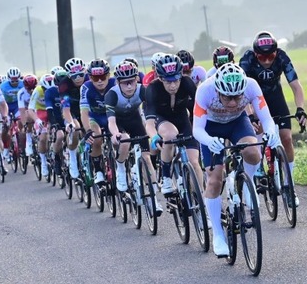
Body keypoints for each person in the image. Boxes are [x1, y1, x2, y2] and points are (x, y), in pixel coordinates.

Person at [192, 63, 280, 258]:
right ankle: (218, 234)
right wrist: (209, 141)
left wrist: (271, 133)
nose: (232, 103)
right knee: (215, 179)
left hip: (237, 123)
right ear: (218, 90)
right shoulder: (205, 91)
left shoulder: (251, 86)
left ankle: (247, 186)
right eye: (227, 97)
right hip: (210, 128)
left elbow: (266, 118)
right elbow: (197, 129)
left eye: (237, 97)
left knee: (253, 152)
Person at [238, 31, 307, 205]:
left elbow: (296, 87)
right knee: (259, 135)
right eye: (263, 57)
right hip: (254, 100)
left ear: (276, 53)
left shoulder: (282, 57)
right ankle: (257, 170)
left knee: (286, 138)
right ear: (255, 54)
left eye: (271, 56)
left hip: (276, 99)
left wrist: (300, 109)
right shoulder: (247, 60)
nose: (267, 61)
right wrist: (250, 114)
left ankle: (288, 185)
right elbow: (240, 91)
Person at [144, 53, 202, 202]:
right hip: (161, 119)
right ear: (160, 78)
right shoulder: (152, 89)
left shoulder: (187, 83)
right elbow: (149, 123)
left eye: (176, 80)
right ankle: (166, 177)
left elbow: (202, 107)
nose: (173, 85)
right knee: (170, 135)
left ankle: (201, 201)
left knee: (194, 163)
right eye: (168, 81)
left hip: (182, 119)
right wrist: (154, 136)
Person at [105, 60, 152, 194]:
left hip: (134, 120)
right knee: (124, 140)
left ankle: (153, 196)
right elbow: (111, 122)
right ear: (118, 82)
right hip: (119, 122)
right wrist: (115, 134)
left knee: (146, 158)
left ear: (137, 78)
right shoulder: (112, 94)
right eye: (125, 83)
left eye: (132, 81)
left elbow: (150, 113)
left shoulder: (142, 89)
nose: (130, 86)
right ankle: (120, 167)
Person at [79, 59, 116, 185]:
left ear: (108, 75)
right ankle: (98, 170)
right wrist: (88, 130)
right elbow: (84, 112)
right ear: (90, 77)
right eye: (95, 78)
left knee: (119, 139)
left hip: (112, 116)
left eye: (102, 77)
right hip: (94, 117)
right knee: (97, 138)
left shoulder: (115, 83)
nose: (100, 81)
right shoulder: (86, 87)